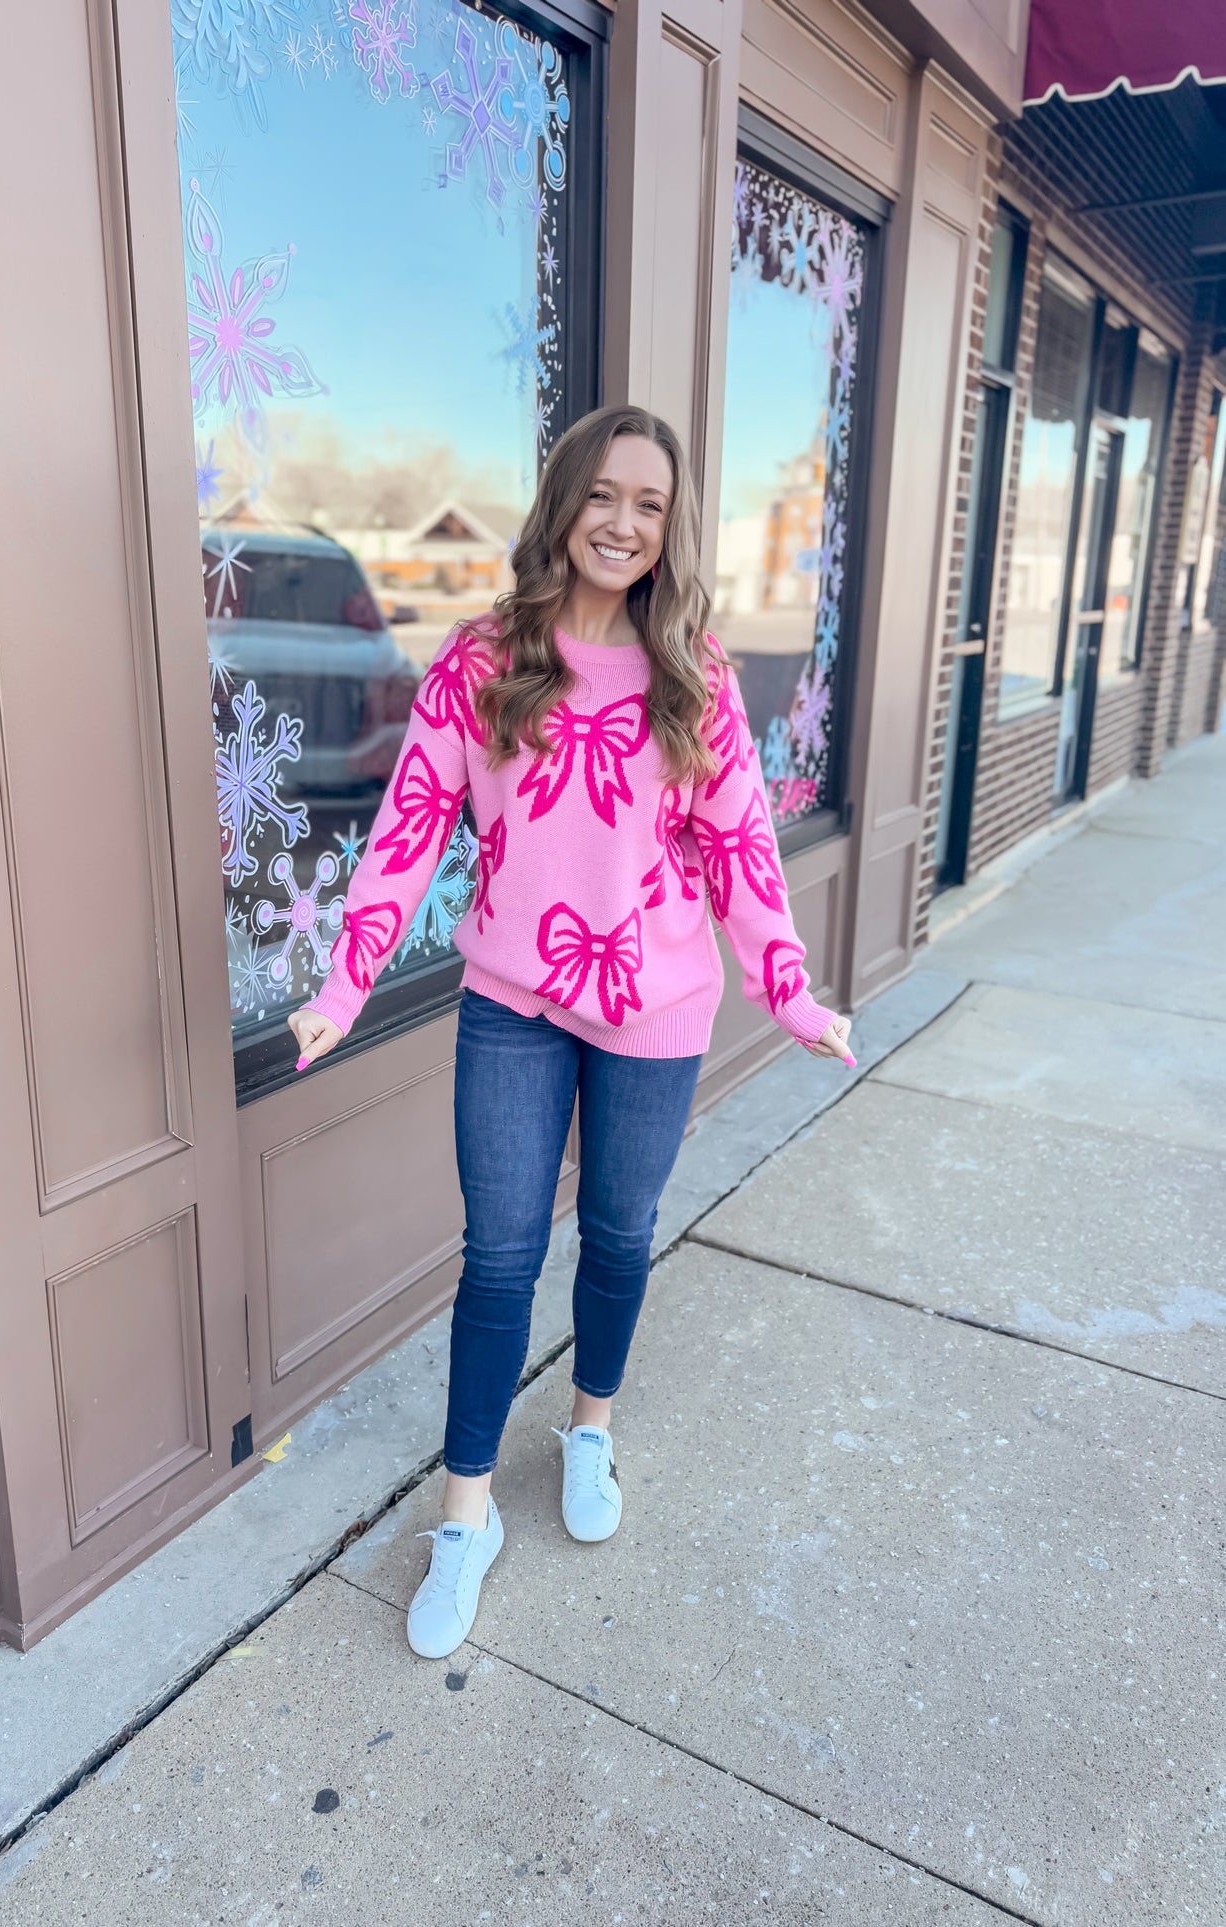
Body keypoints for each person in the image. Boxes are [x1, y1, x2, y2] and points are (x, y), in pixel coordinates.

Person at [289, 403, 854, 1660]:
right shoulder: (484, 656)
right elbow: (408, 827)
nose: (622, 522)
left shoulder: (695, 675)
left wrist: (788, 987)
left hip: (657, 1006)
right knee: (497, 1261)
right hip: (509, 1008)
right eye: (603, 495)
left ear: (670, 528)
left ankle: (587, 1430)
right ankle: (464, 1516)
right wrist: (345, 982)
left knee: (615, 1233)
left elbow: (742, 849)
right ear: (564, 504)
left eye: (648, 505)